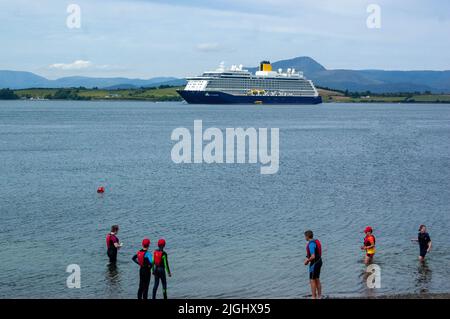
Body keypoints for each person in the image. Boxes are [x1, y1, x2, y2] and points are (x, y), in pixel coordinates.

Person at [303, 230, 322, 299]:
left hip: (314, 263)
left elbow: (313, 256)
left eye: (305, 236)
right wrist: (307, 258)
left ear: (307, 237)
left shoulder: (311, 244)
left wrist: (307, 261)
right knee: (317, 279)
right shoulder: (315, 241)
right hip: (319, 261)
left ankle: (314, 297)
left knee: (312, 280)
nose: (305, 238)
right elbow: (314, 253)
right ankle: (319, 296)